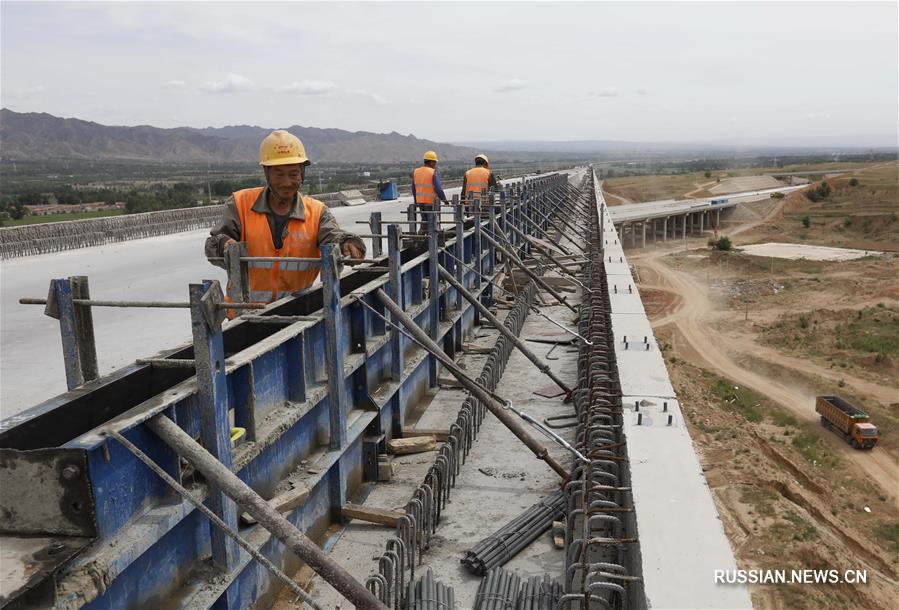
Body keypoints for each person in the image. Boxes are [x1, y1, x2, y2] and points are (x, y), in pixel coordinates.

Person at [205, 130, 365, 303]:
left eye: (293, 174)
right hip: (245, 315)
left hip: (298, 312)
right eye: (279, 174)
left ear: (302, 174)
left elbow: (333, 236)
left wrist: (347, 243)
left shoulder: (317, 212)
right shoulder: (240, 203)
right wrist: (224, 244)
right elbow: (213, 245)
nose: (287, 182)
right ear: (267, 173)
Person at [411, 150, 449, 227]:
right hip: (430, 203)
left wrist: (416, 202)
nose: (435, 164)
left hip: (420, 202)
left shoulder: (416, 171)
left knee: (425, 222)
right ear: (431, 162)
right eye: (435, 162)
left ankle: (423, 236)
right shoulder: (433, 172)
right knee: (433, 224)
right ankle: (431, 238)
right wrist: (445, 200)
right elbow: (438, 189)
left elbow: (413, 189)